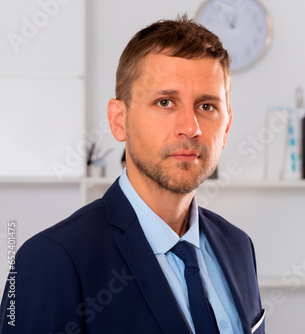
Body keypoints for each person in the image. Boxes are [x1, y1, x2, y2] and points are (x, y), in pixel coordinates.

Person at [0, 16, 265, 334]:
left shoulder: (238, 246)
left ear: (226, 127)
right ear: (118, 120)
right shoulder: (51, 260)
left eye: (207, 106)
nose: (191, 127)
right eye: (165, 102)